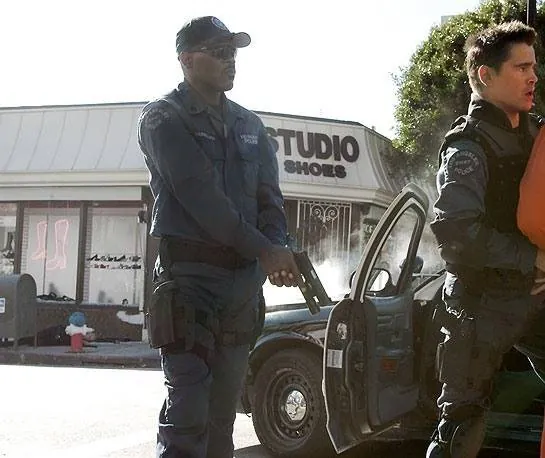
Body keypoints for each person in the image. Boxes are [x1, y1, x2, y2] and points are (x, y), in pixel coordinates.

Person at [137, 16, 300, 458]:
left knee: (222, 421)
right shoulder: (162, 117)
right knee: (188, 415)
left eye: (233, 52)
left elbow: (270, 200)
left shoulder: (250, 124)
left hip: (240, 292)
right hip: (190, 285)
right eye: (219, 51)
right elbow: (202, 198)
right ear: (187, 60)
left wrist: (277, 247)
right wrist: (265, 250)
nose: (231, 60)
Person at [427, 20, 545, 457]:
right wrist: (532, 259)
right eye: (521, 68)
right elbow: (457, 236)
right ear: (485, 75)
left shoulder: (535, 134)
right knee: (460, 428)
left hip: (532, 293)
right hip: (480, 303)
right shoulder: (467, 146)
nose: (534, 77)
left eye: (534, 66)